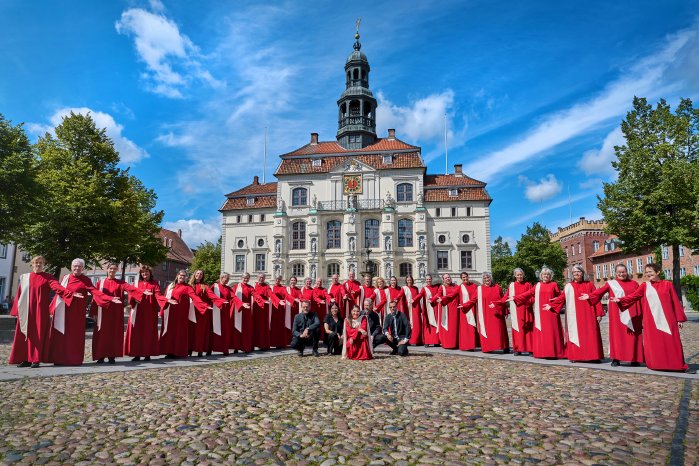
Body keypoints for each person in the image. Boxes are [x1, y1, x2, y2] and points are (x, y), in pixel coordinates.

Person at [613, 263, 692, 373]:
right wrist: (621, 300)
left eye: (650, 272)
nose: (647, 274)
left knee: (672, 342)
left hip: (668, 319)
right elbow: (634, 296)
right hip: (651, 320)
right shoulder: (645, 286)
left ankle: (677, 365)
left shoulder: (667, 285)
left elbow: (675, 301)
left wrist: (679, 319)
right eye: (646, 272)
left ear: (658, 272)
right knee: (655, 343)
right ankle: (657, 364)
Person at [48, 258, 120, 366]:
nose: (77, 268)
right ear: (71, 267)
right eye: (75, 266)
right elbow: (58, 289)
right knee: (61, 335)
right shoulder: (65, 278)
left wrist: (109, 298)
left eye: (79, 266)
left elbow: (95, 291)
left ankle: (74, 359)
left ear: (83, 268)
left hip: (77, 313)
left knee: (74, 337)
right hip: (64, 311)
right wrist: (70, 294)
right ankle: (59, 358)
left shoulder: (85, 279)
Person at [9, 255, 77, 368]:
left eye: (41, 262)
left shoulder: (48, 277)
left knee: (38, 335)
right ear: (32, 264)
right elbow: (19, 294)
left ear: (44, 264)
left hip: (40, 312)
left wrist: (70, 293)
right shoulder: (25, 277)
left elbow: (57, 287)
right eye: (36, 262)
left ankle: (35, 359)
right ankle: (25, 359)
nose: (38, 264)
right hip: (26, 310)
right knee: (24, 334)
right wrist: (16, 311)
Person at [582, 264, 644, 366]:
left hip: (633, 313)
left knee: (633, 336)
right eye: (619, 272)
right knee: (618, 336)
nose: (621, 274)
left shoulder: (634, 284)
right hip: (617, 314)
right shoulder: (611, 284)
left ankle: (635, 358)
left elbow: (639, 296)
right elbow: (599, 292)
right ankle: (617, 358)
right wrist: (589, 296)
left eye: (623, 272)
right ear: (615, 273)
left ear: (626, 272)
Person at [90, 263, 147, 364]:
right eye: (110, 268)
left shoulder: (120, 283)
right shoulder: (100, 283)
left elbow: (130, 288)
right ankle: (101, 356)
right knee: (102, 335)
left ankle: (112, 356)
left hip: (115, 313)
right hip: (103, 312)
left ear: (117, 271)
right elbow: (95, 297)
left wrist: (141, 292)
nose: (112, 270)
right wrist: (94, 312)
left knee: (114, 334)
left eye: (114, 269)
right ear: (107, 270)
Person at [547, 264, 604, 363]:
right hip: (574, 316)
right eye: (574, 272)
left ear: (582, 273)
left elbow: (597, 298)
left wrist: (598, 313)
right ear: (572, 274)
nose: (576, 273)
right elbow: (562, 297)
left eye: (579, 271)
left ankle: (593, 356)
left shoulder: (589, 284)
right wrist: (551, 306)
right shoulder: (569, 286)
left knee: (591, 335)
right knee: (575, 334)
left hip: (589, 315)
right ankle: (576, 356)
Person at [508, 267, 565, 359]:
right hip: (541, 313)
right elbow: (528, 293)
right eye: (544, 274)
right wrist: (515, 298)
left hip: (551, 312)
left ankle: (554, 352)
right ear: (541, 276)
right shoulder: (537, 285)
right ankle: (543, 352)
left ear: (550, 276)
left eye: (547, 274)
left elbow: (561, 296)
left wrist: (554, 302)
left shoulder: (554, 284)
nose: (545, 276)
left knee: (552, 332)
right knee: (542, 332)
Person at [160, 270, 211, 358]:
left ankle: (178, 352)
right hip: (171, 313)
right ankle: (169, 352)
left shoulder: (187, 287)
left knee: (179, 333)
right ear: (177, 275)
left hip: (181, 314)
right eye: (181, 275)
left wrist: (204, 305)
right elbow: (164, 297)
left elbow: (195, 297)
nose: (182, 277)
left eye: (184, 276)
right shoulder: (170, 286)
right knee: (170, 333)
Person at [125, 265, 162, 361]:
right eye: (143, 272)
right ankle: (136, 354)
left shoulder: (154, 284)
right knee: (136, 333)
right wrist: (141, 292)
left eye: (146, 272)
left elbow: (158, 295)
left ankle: (147, 354)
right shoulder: (136, 283)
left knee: (147, 333)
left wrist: (166, 300)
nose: (145, 274)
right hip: (137, 311)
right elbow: (130, 294)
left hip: (149, 312)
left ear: (150, 273)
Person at [465, 272, 509, 353]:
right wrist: (465, 305)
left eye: (488, 278)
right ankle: (488, 348)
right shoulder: (479, 289)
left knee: (500, 331)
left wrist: (505, 310)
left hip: (497, 314)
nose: (487, 279)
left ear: (491, 278)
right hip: (485, 315)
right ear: (482, 280)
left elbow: (503, 299)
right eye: (485, 278)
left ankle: (504, 346)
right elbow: (473, 300)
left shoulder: (497, 287)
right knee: (488, 331)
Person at [495, 268, 533, 355]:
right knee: (517, 330)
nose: (519, 276)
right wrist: (497, 303)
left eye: (521, 274)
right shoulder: (512, 285)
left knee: (528, 331)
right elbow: (506, 296)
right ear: (515, 275)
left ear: (523, 275)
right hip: (516, 311)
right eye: (518, 275)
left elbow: (532, 296)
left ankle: (530, 349)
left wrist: (528, 303)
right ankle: (518, 349)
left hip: (526, 310)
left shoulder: (528, 285)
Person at [206, 273, 238, 356]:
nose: (228, 280)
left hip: (225, 312)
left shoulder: (228, 288)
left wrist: (241, 303)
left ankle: (224, 349)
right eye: (227, 278)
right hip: (215, 311)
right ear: (222, 278)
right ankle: (210, 349)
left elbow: (234, 297)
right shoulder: (214, 286)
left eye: (228, 279)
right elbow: (209, 295)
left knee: (225, 331)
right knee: (212, 330)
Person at [429, 274, 460, 349]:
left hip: (455, 309)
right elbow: (438, 295)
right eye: (446, 278)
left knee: (454, 327)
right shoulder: (442, 287)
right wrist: (432, 299)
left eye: (449, 277)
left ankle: (455, 343)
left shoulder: (456, 286)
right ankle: (448, 344)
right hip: (446, 309)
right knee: (447, 327)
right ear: (443, 280)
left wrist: (443, 298)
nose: (448, 279)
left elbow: (454, 294)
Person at [188, 270, 212, 357]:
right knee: (190, 331)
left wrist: (218, 300)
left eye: (201, 274)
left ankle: (199, 349)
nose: (199, 275)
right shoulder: (189, 285)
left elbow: (211, 295)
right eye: (198, 273)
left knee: (200, 331)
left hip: (202, 311)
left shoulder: (205, 286)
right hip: (191, 310)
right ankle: (189, 349)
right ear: (194, 274)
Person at [252, 273, 279, 351]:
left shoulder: (267, 286)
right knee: (254, 327)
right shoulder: (253, 286)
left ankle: (262, 344)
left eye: (263, 277)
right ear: (257, 278)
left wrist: (277, 300)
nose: (261, 279)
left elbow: (271, 294)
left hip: (264, 309)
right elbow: (255, 295)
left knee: (263, 327)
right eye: (260, 277)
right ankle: (252, 344)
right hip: (255, 309)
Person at [231, 273, 254, 353]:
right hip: (238, 309)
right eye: (244, 278)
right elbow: (233, 297)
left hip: (246, 311)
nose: (246, 279)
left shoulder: (250, 287)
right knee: (236, 328)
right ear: (241, 278)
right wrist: (240, 304)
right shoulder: (236, 287)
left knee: (246, 329)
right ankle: (236, 347)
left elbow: (255, 294)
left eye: (247, 278)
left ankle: (246, 347)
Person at [415, 274, 440, 346]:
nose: (428, 280)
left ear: (431, 279)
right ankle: (427, 341)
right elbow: (419, 295)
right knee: (427, 324)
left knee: (435, 324)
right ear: (425, 280)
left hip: (435, 307)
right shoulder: (424, 288)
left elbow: (438, 294)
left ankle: (436, 341)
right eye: (427, 279)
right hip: (427, 308)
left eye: (429, 279)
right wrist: (414, 300)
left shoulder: (436, 287)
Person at [457, 272, 479, 351]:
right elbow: (452, 294)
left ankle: (472, 345)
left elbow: (477, 296)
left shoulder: (474, 286)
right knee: (465, 329)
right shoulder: (460, 287)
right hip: (464, 310)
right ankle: (466, 345)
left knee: (472, 328)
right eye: (463, 277)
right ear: (461, 279)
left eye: (466, 277)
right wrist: (442, 298)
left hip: (473, 309)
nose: (465, 278)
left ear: (468, 276)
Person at [402, 275, 422, 345]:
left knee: (417, 324)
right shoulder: (404, 288)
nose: (409, 281)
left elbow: (419, 297)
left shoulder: (416, 288)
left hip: (415, 307)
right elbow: (401, 296)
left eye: (410, 280)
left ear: (412, 280)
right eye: (408, 280)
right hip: (408, 308)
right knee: (409, 324)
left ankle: (418, 340)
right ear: (406, 281)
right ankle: (410, 340)